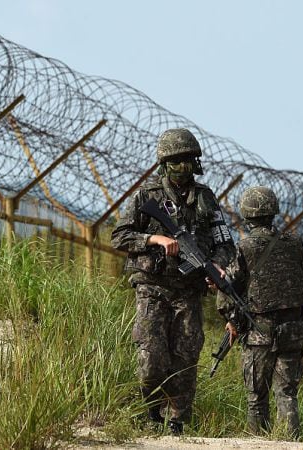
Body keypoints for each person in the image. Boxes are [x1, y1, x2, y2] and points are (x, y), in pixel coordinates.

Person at [111, 128, 235, 434]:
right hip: (152, 287)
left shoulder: (205, 199)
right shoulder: (147, 196)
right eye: (176, 161)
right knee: (152, 357)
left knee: (186, 357)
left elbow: (225, 244)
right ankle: (151, 414)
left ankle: (177, 423)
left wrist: (216, 268)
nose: (182, 167)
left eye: (187, 160)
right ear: (164, 163)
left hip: (188, 291)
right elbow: (119, 236)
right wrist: (154, 238)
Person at [214, 186, 303, 438]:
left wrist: (230, 319)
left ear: (246, 215)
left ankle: (257, 441)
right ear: (273, 211)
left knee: (256, 395)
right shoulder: (295, 243)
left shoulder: (246, 247)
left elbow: (230, 289)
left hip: (260, 331)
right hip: (293, 329)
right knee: (287, 393)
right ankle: (289, 442)